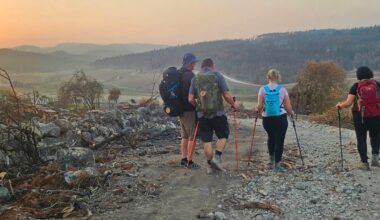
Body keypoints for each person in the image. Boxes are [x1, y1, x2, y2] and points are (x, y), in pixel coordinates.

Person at [188, 58, 238, 172]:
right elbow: (226, 94)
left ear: (202, 67)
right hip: (218, 113)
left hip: (202, 115)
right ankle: (217, 158)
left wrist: (198, 107)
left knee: (207, 140)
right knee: (223, 135)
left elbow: (190, 98)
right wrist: (233, 104)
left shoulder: (195, 78)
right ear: (212, 65)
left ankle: (209, 166)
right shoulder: (218, 76)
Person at [336, 66, 380, 171]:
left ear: (358, 75)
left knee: (361, 138)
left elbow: (348, 103)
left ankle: (364, 163)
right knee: (376, 136)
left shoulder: (356, 86)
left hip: (360, 117)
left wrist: (339, 105)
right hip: (376, 116)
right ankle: (375, 157)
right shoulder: (377, 85)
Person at [256, 69, 294, 173]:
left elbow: (259, 106)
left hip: (267, 119)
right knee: (279, 140)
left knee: (271, 137)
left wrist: (258, 110)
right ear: (278, 78)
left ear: (268, 77)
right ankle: (277, 165)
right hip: (280, 118)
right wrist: (292, 113)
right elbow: (288, 107)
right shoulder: (282, 90)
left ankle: (270, 160)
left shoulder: (262, 89)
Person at [178, 53, 201, 169]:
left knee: (185, 136)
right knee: (192, 136)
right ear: (190, 63)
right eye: (194, 63)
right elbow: (192, 97)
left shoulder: (179, 73)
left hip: (180, 110)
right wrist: (197, 106)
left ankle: (183, 159)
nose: (194, 65)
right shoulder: (191, 76)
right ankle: (189, 162)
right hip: (189, 110)